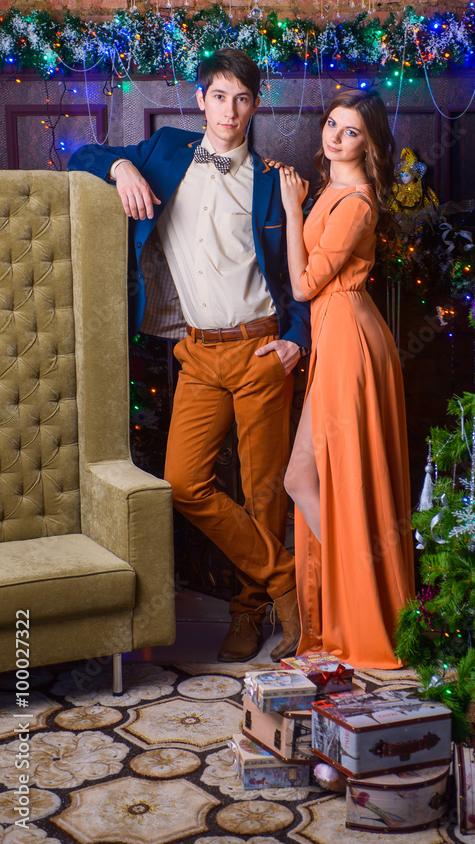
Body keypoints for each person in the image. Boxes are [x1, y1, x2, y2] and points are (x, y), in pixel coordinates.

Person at [68, 48, 310, 664]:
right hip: (198, 352)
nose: (230, 110)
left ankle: (250, 614)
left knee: (262, 495)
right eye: (220, 96)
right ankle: (286, 582)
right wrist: (122, 165)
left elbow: (297, 275)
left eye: (243, 98)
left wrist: (298, 339)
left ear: (256, 106)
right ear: (201, 99)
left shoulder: (269, 178)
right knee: (183, 481)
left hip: (259, 349)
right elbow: (81, 158)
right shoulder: (168, 150)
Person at [276, 89, 415, 669]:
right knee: (301, 478)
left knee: (331, 475)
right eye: (332, 123)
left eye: (351, 131)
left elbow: (305, 286)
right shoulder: (332, 190)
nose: (335, 136)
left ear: (370, 143)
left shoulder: (356, 202)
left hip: (351, 342)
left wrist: (289, 211)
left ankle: (363, 603)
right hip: (336, 337)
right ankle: (354, 592)